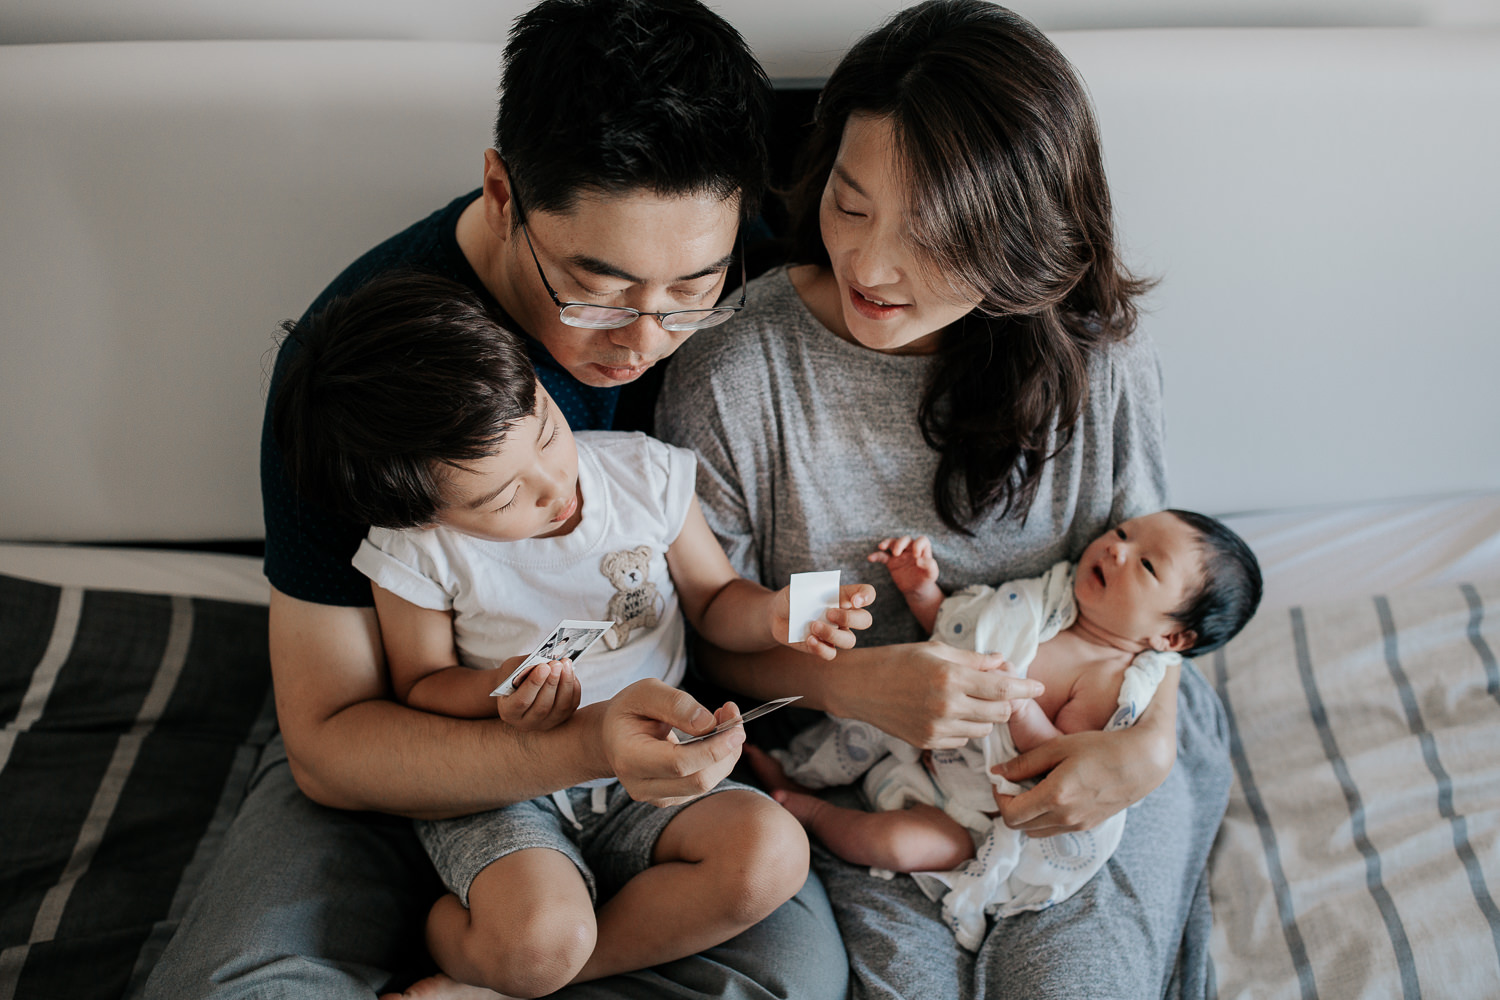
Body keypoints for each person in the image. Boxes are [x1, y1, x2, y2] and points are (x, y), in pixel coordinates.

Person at [143, 3, 853, 999]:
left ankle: (512, 972)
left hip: (657, 763)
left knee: (792, 977)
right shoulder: (367, 378)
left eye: (694, 286)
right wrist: (576, 740)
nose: (644, 340)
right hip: (433, 762)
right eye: (595, 290)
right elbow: (336, 744)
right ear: (500, 189)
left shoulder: (765, 276)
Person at [655, 2, 1234, 996]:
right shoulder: (733, 374)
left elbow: (1159, 603)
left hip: (1093, 736)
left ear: (1019, 238)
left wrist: (1146, 752)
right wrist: (847, 684)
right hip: (864, 763)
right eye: (849, 203)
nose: (872, 266)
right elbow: (712, 632)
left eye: (931, 235)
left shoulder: (1102, 364)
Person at [270, 271, 875, 997]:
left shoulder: (642, 476)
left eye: (548, 433)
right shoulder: (416, 552)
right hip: (507, 785)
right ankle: (480, 947)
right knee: (538, 938)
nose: (555, 487)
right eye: (503, 497)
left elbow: (718, 601)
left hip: (648, 768)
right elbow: (423, 687)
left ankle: (529, 978)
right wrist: (503, 694)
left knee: (771, 855)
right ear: (426, 514)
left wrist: (776, 615)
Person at [751, 510, 1261, 951]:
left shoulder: (1107, 681)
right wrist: (922, 590)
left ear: (1171, 636)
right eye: (1123, 533)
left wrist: (1015, 703)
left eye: (1147, 564)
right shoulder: (1039, 607)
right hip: (923, 734)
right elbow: (957, 632)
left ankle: (810, 811)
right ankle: (796, 773)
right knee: (853, 719)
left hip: (972, 818)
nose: (1116, 548)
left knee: (900, 846)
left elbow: (1053, 761)